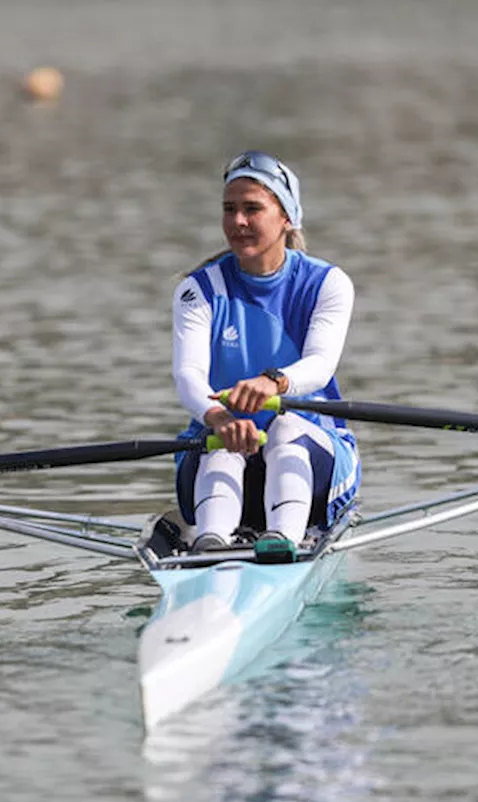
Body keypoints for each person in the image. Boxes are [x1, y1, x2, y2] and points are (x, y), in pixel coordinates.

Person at [172, 150, 360, 557]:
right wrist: (220, 418)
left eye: (252, 209)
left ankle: (285, 542)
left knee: (286, 426)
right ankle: (212, 544)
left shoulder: (327, 283)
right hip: (216, 457)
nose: (238, 221)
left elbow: (319, 366)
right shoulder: (198, 290)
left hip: (313, 465)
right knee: (221, 439)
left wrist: (271, 382)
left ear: (287, 218)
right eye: (229, 209)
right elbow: (189, 377)